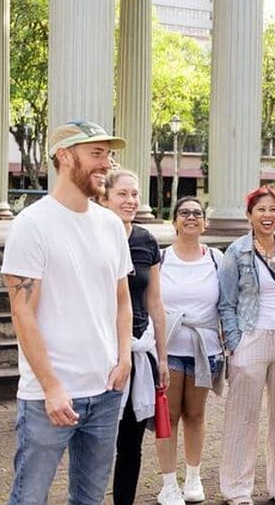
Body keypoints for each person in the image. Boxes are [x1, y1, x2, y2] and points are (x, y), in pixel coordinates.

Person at [0, 120, 132, 503]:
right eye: (96, 153)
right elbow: (22, 314)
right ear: (64, 156)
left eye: (108, 154)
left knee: (89, 500)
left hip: (106, 392)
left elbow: (121, 298)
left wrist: (124, 358)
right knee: (29, 498)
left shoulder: (110, 224)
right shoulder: (32, 225)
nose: (106, 163)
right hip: (49, 398)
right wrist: (52, 387)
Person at [218, 185, 275, 505]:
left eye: (272, 210)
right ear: (249, 215)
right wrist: (235, 341)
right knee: (242, 417)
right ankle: (236, 489)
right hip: (251, 337)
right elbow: (226, 302)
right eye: (261, 210)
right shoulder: (236, 251)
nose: (267, 216)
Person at [101, 169, 170, 505]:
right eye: (122, 194)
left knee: (130, 443)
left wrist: (164, 358)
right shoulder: (94, 237)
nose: (130, 201)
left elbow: (155, 302)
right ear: (104, 198)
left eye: (134, 194)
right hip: (101, 351)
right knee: (98, 440)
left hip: (140, 352)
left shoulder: (145, 240)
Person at [156, 196, 225, 505]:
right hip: (168, 349)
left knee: (195, 415)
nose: (191, 217)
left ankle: (193, 477)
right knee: (168, 415)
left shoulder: (216, 259)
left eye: (197, 213)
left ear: (204, 222)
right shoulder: (161, 258)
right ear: (175, 221)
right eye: (184, 213)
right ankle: (168, 484)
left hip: (204, 349)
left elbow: (226, 304)